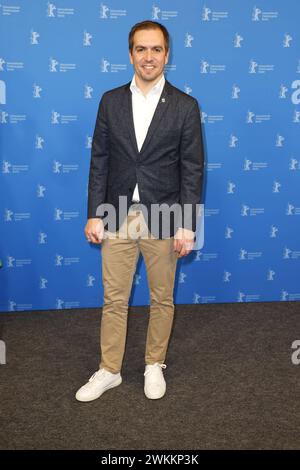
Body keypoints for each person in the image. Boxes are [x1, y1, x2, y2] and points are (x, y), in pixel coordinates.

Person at [76, 20, 204, 402]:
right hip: (116, 210)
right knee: (114, 298)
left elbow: (192, 168)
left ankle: (153, 364)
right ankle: (109, 370)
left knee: (161, 297)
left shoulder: (184, 105)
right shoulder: (110, 100)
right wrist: (94, 213)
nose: (148, 57)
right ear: (130, 53)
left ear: (167, 55)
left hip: (165, 213)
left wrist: (187, 224)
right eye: (141, 49)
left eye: (156, 49)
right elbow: (99, 159)